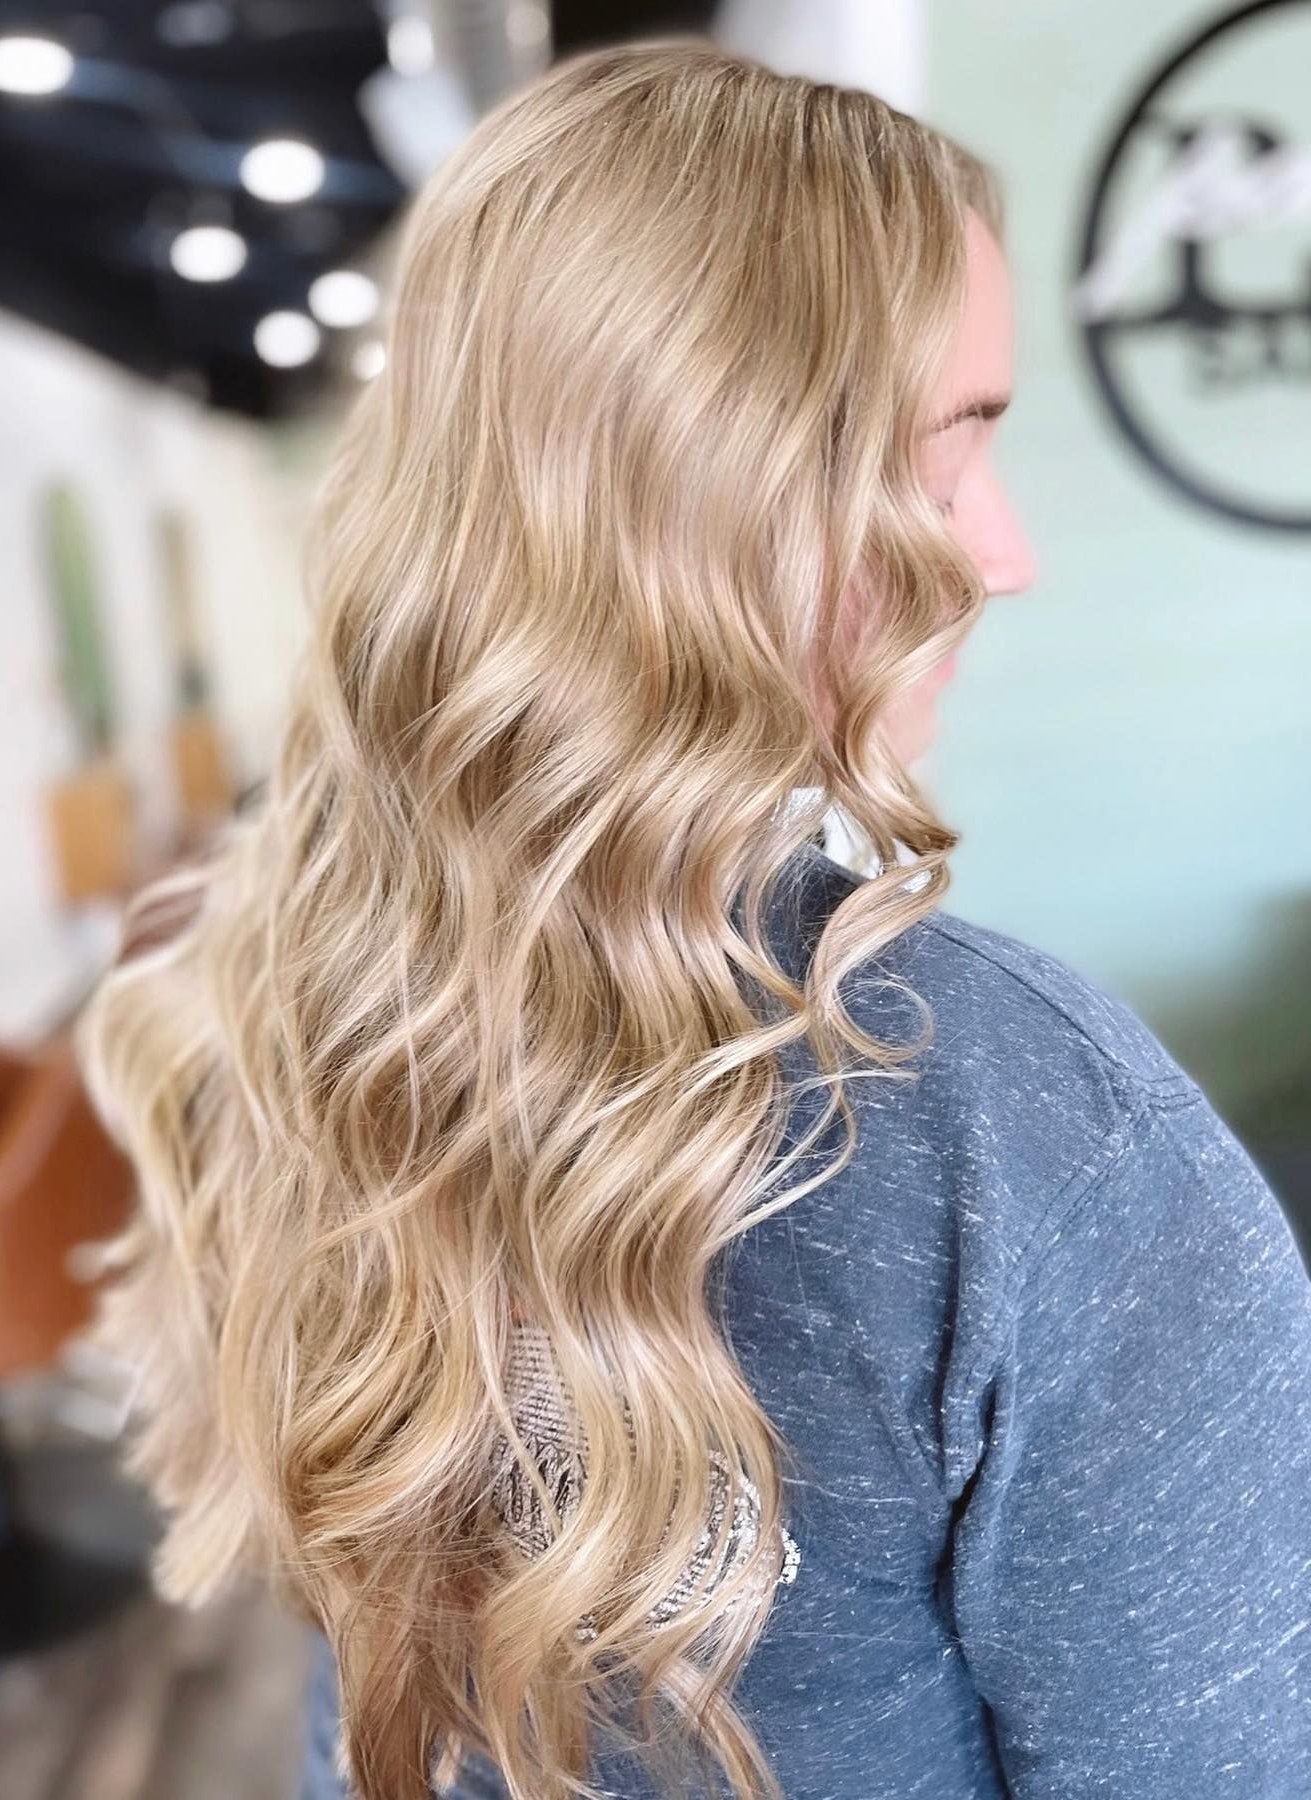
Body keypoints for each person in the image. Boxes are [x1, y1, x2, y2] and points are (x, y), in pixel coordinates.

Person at [76, 37, 1311, 1800]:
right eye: (941, 458)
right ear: (697, 498)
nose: (1008, 551)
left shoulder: (273, 958)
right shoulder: (1030, 1143)